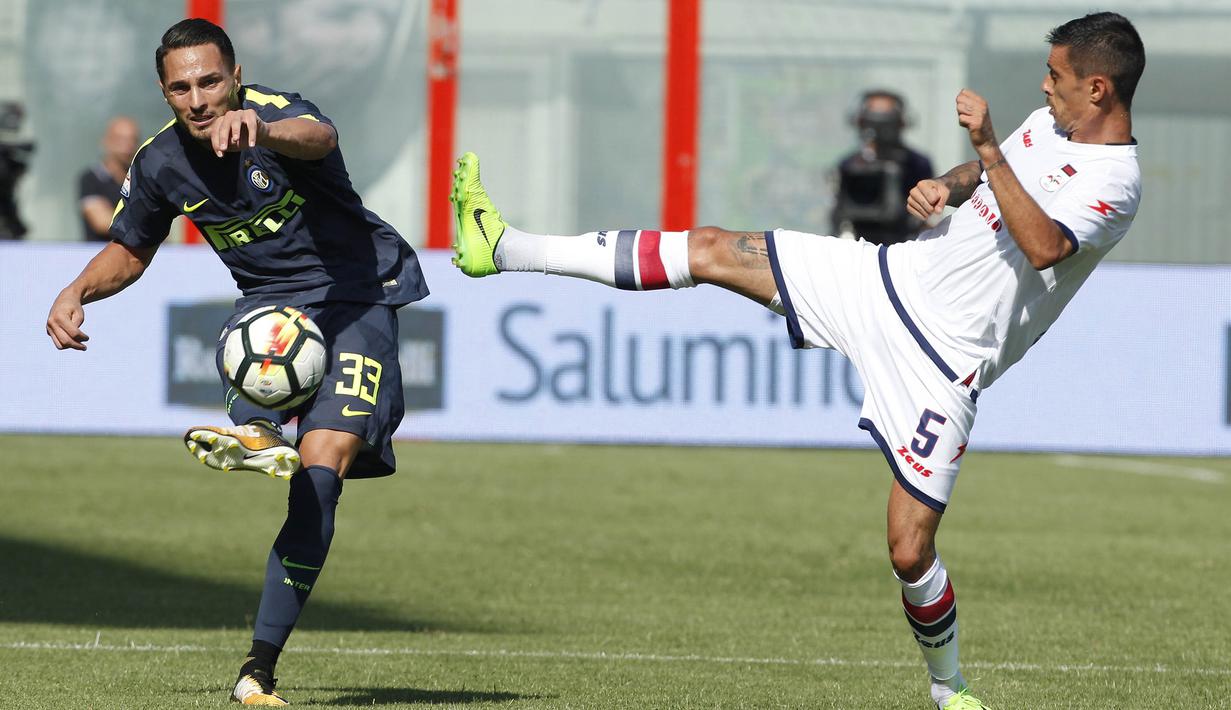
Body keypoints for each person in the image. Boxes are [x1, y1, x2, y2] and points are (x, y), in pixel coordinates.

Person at [447, 12, 1144, 709]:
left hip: (944, 362)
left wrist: (988, 152)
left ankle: (947, 687)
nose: (1042, 86)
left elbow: (1045, 246)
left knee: (908, 551)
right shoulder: (1047, 123)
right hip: (886, 279)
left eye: (1054, 77)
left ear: (1097, 88)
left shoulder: (1116, 179)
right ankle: (503, 246)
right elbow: (988, 172)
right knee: (715, 248)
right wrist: (952, 183)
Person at [45, 18, 428, 706]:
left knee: (322, 472)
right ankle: (254, 427)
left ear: (237, 75)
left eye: (210, 82)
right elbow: (130, 250)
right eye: (181, 88)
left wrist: (260, 129)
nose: (198, 99)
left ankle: (257, 667)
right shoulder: (160, 163)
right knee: (259, 342)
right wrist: (76, 291)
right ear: (165, 94)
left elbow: (323, 137)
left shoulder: (278, 117)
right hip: (272, 306)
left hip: (357, 296)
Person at [831, 90, 934, 244]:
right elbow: (839, 212)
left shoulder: (917, 164)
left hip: (904, 244)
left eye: (886, 123)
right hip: (857, 243)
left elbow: (928, 214)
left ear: (901, 124)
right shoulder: (849, 165)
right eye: (872, 122)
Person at [78, 116, 140, 242]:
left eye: (132, 140)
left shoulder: (141, 178)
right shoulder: (91, 179)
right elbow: (102, 222)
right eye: (120, 139)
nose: (127, 146)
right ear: (106, 141)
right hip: (98, 254)